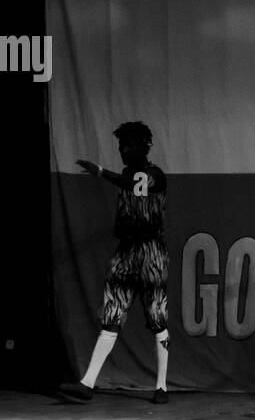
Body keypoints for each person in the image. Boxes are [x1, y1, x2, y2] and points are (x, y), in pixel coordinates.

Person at [59, 122, 171, 404]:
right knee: (112, 315)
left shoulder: (154, 176)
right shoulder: (126, 174)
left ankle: (161, 387)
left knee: (157, 318)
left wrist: (99, 171)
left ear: (144, 146)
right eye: (121, 146)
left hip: (150, 253)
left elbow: (136, 186)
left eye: (129, 145)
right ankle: (87, 383)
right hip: (126, 252)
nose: (123, 151)